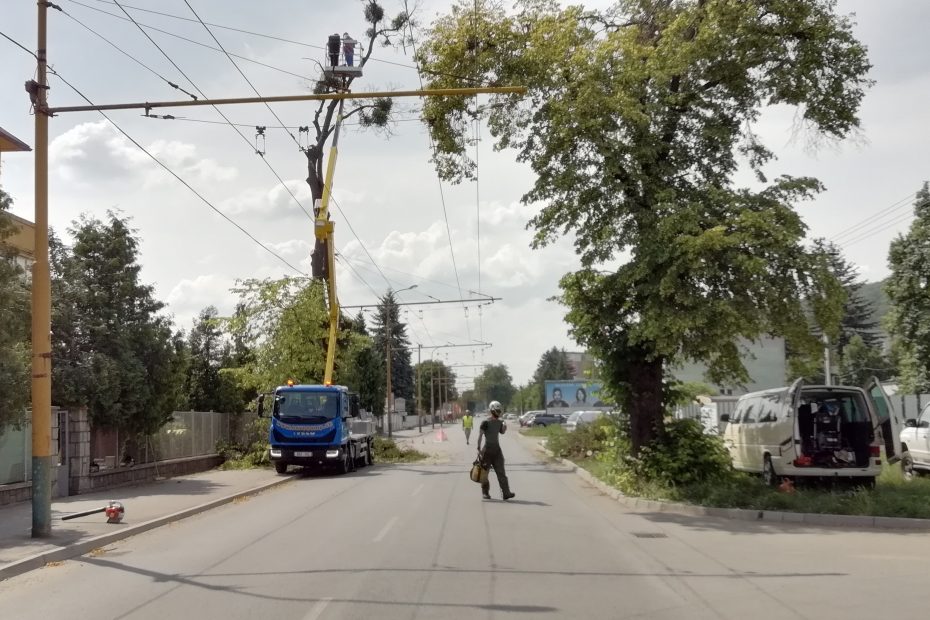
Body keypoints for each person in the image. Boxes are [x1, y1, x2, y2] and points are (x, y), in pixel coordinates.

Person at [477, 401, 515, 500]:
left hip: (497, 451)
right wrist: (478, 448)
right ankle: (485, 492)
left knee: (501, 472)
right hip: (487, 451)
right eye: (496, 410)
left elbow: (502, 432)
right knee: (485, 473)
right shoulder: (485, 422)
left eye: (499, 411)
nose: (498, 412)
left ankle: (506, 493)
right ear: (492, 410)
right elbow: (480, 436)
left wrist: (504, 427)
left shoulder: (499, 422)